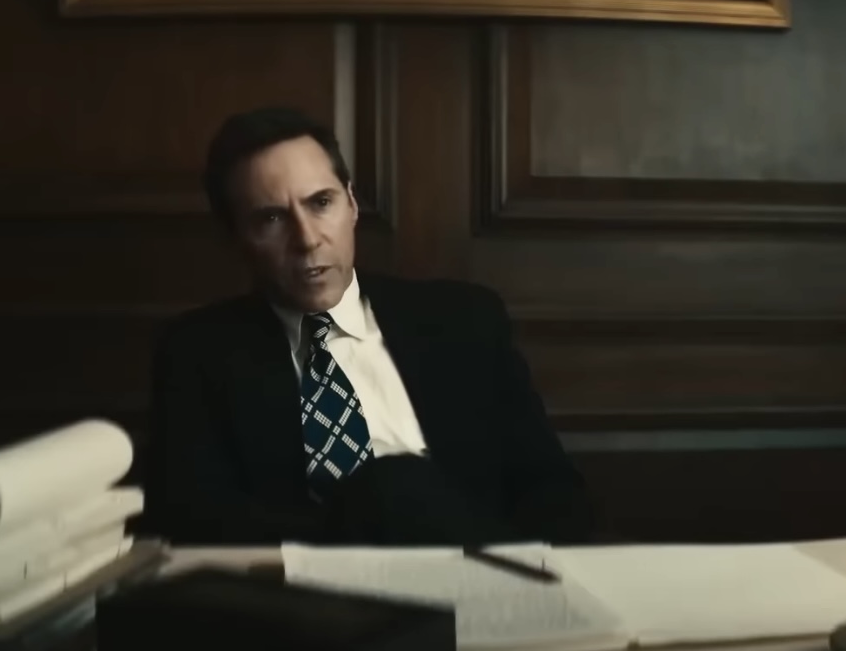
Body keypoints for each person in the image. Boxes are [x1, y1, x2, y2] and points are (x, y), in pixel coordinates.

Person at [137, 107, 594, 546]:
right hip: (306, 591)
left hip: (484, 575)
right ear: (234, 239)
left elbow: (553, 491)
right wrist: (370, 515)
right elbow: (194, 521)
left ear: (352, 204)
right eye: (271, 218)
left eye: (321, 203)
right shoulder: (197, 352)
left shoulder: (464, 320)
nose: (307, 239)